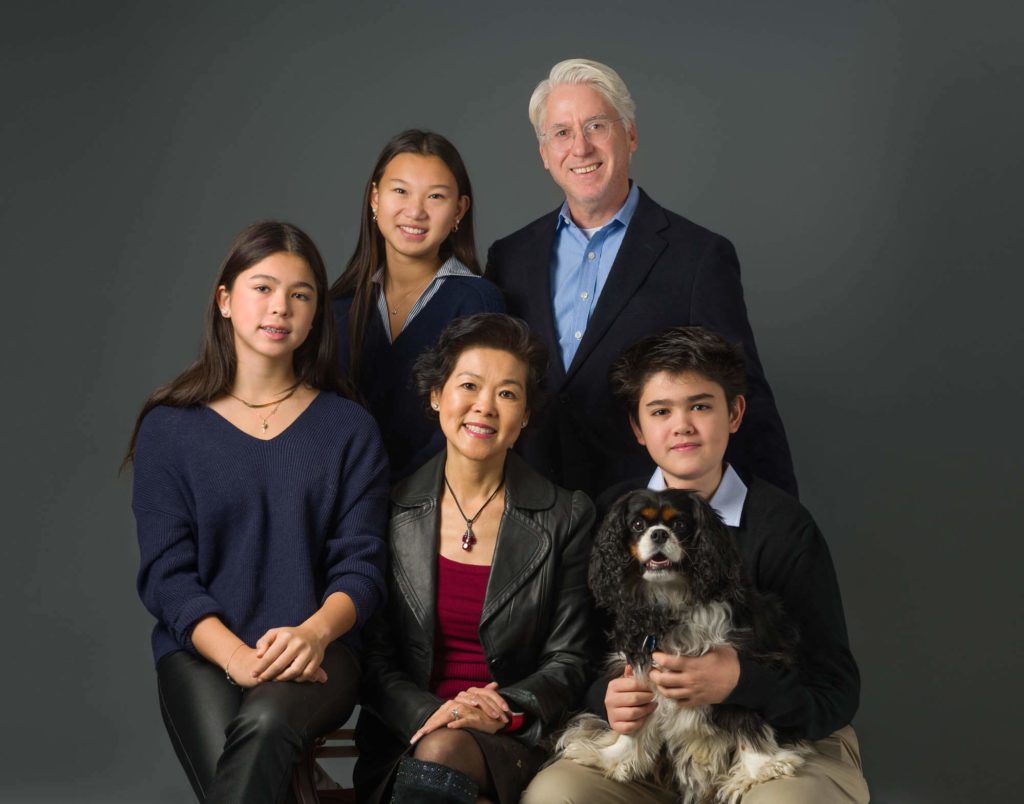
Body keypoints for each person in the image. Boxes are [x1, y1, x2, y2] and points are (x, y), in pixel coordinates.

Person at [523, 326, 868, 803]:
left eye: (700, 406)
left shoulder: (783, 526)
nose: (682, 425)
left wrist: (743, 682)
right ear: (638, 428)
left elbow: (836, 690)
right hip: (653, 746)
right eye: (661, 411)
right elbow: (572, 656)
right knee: (555, 794)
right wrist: (606, 695)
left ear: (735, 413)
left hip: (776, 742)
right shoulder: (608, 515)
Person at [126, 221, 390, 804]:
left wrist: (315, 633)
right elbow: (167, 576)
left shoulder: (348, 429)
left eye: (301, 295)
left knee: (265, 728)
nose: (281, 308)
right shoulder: (170, 428)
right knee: (247, 769)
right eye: (263, 288)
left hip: (319, 650)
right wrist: (237, 657)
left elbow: (362, 567)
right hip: (202, 649)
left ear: (316, 312)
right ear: (225, 300)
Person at [486, 58, 797, 499]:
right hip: (532, 518)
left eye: (596, 126)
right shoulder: (509, 257)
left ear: (629, 135)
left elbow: (744, 399)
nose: (580, 147)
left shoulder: (698, 257)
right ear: (544, 155)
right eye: (561, 133)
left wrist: (777, 534)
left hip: (651, 525)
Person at [353, 313, 597, 803]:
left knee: (444, 752)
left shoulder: (566, 515)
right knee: (438, 750)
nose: (484, 407)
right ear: (437, 395)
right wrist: (428, 712)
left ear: (525, 415)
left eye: (507, 393)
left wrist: (504, 708)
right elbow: (371, 657)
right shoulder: (389, 508)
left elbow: (570, 659)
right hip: (408, 735)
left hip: (516, 740)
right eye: (469, 385)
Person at [332, 129, 505, 481]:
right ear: (375, 198)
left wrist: (398, 496)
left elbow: (472, 420)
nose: (415, 211)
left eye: (436, 197)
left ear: (459, 209)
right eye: (400, 191)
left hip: (431, 506)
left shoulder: (478, 302)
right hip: (340, 501)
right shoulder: (338, 307)